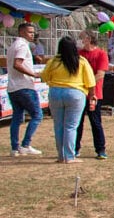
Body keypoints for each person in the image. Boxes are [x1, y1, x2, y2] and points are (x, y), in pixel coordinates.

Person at [40, 35, 96, 163]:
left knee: (58, 125)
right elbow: (90, 81)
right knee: (70, 126)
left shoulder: (54, 61)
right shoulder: (81, 61)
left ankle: (61, 156)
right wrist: (92, 95)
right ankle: (70, 156)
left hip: (55, 92)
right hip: (75, 93)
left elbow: (44, 76)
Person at [7, 22, 44, 157]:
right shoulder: (22, 45)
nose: (32, 35)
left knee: (17, 117)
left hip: (13, 87)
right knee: (37, 115)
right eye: (29, 32)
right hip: (24, 86)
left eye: (33, 32)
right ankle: (25, 144)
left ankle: (14, 147)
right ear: (22, 32)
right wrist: (33, 74)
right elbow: (17, 64)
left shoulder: (13, 45)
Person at [76, 30, 109, 160]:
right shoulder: (79, 54)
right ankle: (75, 148)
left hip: (94, 94)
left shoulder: (101, 54)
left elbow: (101, 74)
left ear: (88, 39)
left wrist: (88, 84)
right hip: (79, 93)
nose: (80, 40)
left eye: (82, 38)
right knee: (78, 122)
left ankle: (100, 149)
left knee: (95, 122)